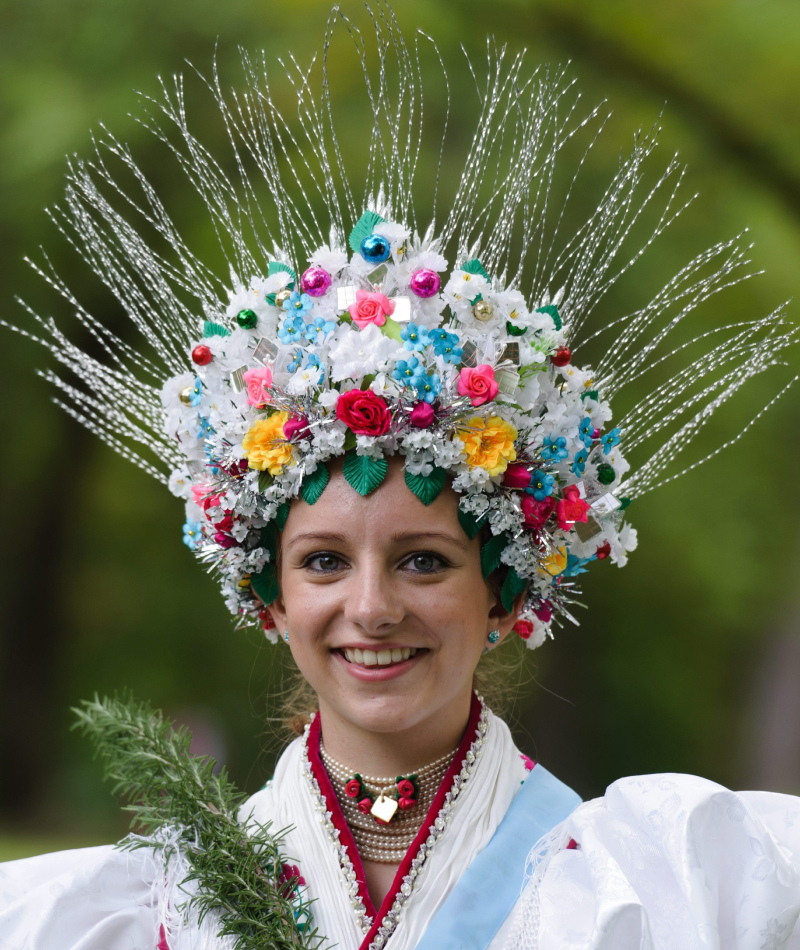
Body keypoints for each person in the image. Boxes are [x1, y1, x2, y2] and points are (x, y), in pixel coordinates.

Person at [1, 4, 799, 948]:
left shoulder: (668, 886)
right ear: (268, 597)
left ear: (503, 593)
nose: (372, 608)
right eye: (324, 562)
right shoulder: (145, 916)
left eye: (423, 561)